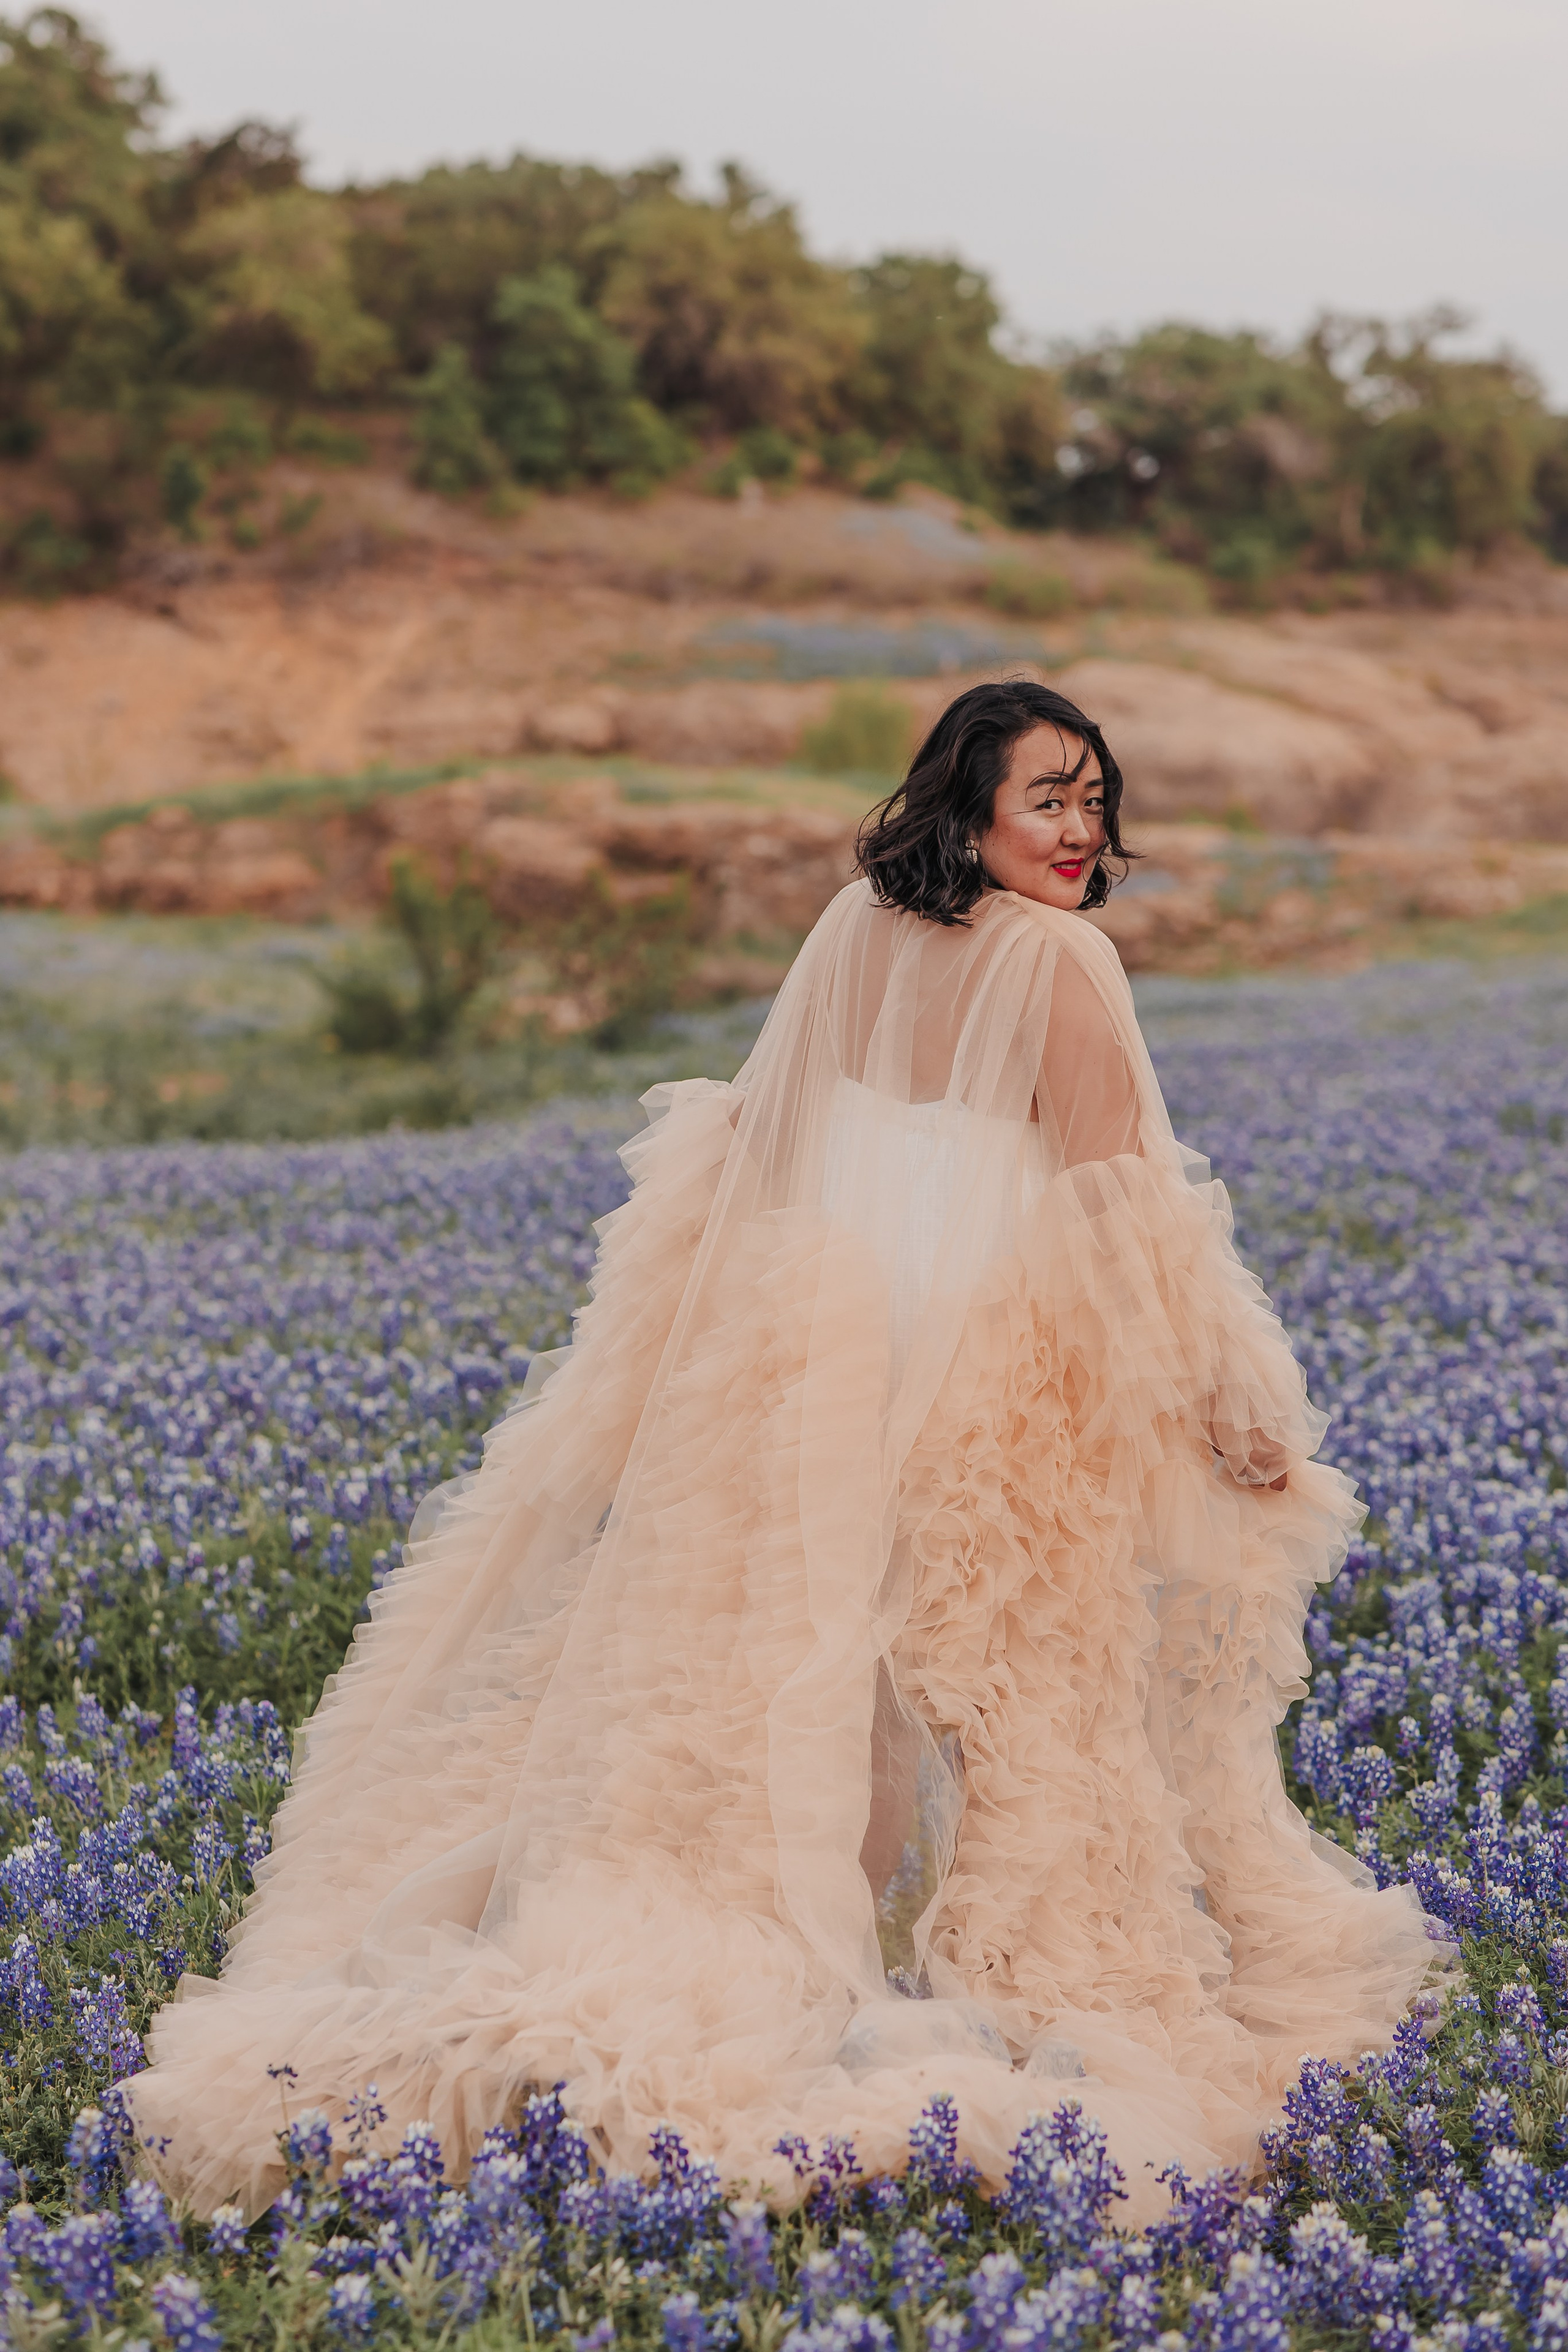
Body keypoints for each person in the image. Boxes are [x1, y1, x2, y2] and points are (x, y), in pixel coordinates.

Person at [127, 679, 1447, 2225]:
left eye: (1095, 799)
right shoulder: (1060, 960)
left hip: (809, 1380)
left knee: (815, 1701)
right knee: (1015, 1720)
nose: (1081, 831)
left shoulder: (852, 931)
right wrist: (1226, 1396)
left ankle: (805, 1975)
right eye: (1048, 797)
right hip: (991, 1404)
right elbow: (1118, 1207)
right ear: (968, 806)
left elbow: (757, 1161)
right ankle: (895, 2006)